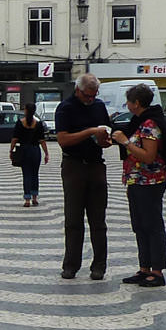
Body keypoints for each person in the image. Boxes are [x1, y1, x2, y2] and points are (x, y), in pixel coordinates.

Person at [55, 73, 113, 280]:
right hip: (74, 165)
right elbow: (63, 140)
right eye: (88, 95)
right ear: (78, 90)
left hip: (96, 165)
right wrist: (89, 131)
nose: (91, 99)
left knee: (98, 219)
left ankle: (99, 266)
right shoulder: (66, 108)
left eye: (94, 95)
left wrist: (105, 139)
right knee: (73, 218)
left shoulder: (98, 106)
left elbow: (106, 134)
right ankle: (71, 265)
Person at [113, 84, 166, 287]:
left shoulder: (149, 124)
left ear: (136, 103)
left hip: (150, 181)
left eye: (128, 101)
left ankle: (157, 271)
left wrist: (126, 143)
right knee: (140, 225)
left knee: (153, 225)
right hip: (136, 180)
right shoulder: (138, 122)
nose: (127, 104)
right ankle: (144, 268)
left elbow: (149, 156)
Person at [10, 105, 48, 206]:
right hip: (35, 150)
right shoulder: (38, 124)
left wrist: (11, 150)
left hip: (24, 150)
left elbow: (15, 139)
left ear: (25, 110)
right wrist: (46, 153)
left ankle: (27, 199)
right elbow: (42, 141)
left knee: (26, 174)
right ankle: (35, 198)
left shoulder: (20, 123)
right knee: (35, 174)